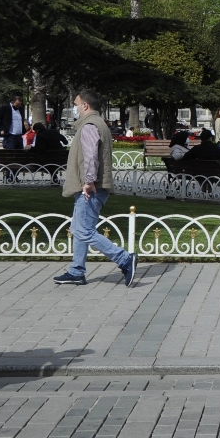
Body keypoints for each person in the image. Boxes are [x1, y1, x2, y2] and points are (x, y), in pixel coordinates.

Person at [53, 88, 136, 288]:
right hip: (93, 185)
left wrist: (89, 181)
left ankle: (124, 259)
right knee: (80, 228)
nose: (74, 108)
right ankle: (76, 271)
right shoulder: (98, 124)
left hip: (91, 187)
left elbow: (90, 157)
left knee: (83, 231)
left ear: (85, 105)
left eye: (75, 104)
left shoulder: (89, 125)